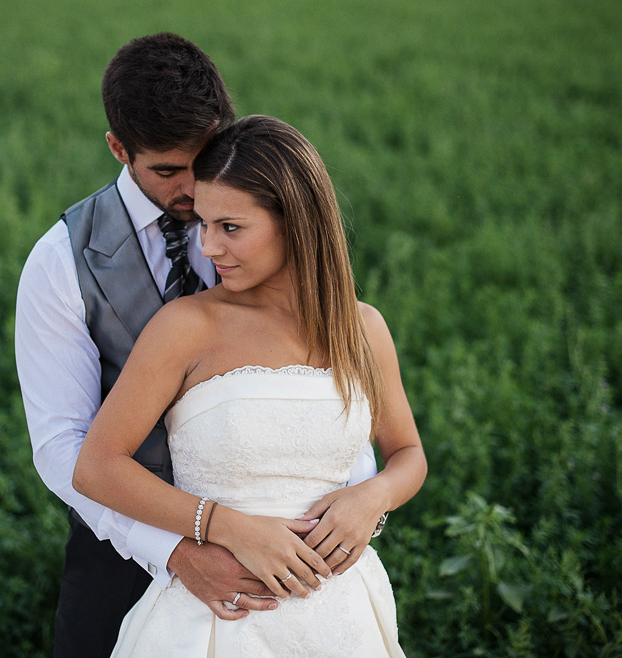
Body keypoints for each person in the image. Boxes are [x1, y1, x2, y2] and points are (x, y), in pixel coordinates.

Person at [15, 34, 378, 656]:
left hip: (296, 565)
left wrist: (354, 498)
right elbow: (61, 446)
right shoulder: (59, 262)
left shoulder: (263, 223)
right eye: (166, 170)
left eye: (203, 158)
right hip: (123, 552)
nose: (191, 189)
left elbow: (320, 385)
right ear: (118, 149)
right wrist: (180, 551)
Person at [73, 115, 427, 657]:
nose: (210, 247)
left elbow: (407, 453)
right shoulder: (186, 327)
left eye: (231, 227)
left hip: (341, 618)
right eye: (204, 225)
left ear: (296, 222)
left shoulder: (362, 327)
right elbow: (96, 466)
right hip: (218, 621)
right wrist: (224, 527)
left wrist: (372, 498)